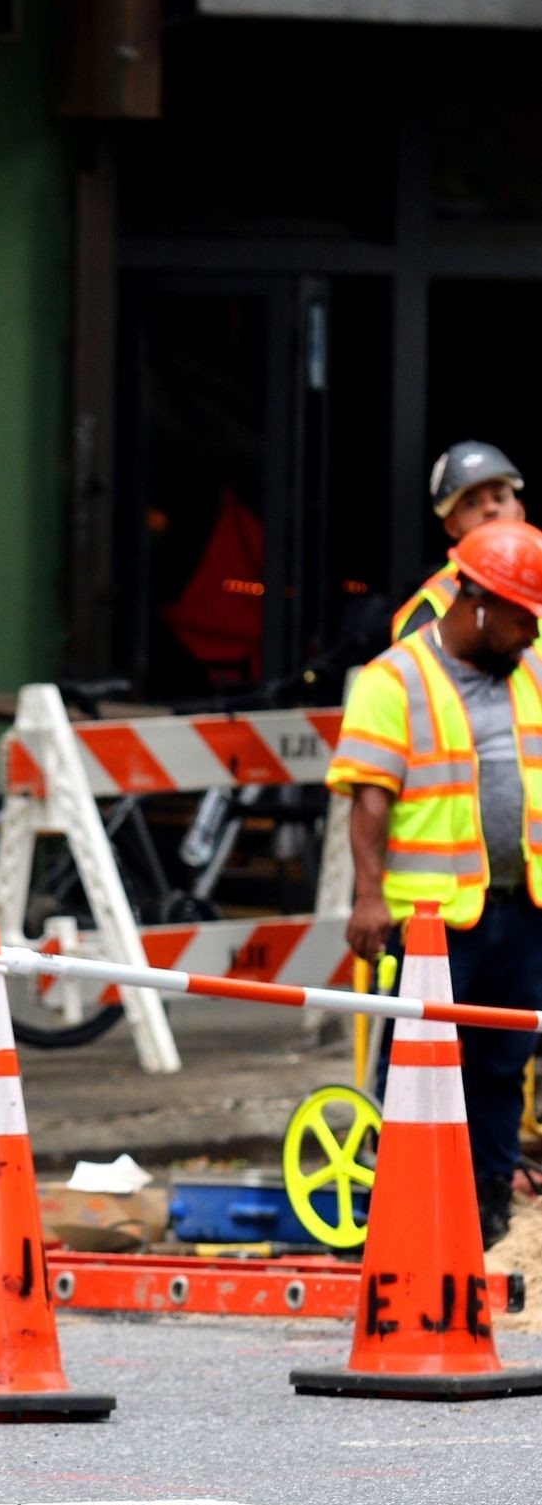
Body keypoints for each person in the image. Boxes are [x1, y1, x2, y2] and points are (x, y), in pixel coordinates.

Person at [330, 517, 542, 1248]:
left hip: (521, 909)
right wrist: (368, 899)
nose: (530, 632)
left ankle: (484, 1213)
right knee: (418, 1067)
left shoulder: (530, 671)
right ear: (477, 605)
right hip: (430, 918)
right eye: (521, 617)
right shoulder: (395, 680)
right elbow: (369, 800)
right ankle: (404, 1212)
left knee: (501, 1065)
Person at [391, 440, 525, 643]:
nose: (490, 509)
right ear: (452, 526)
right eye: (471, 503)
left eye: (499, 497)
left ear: (519, 511)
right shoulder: (432, 605)